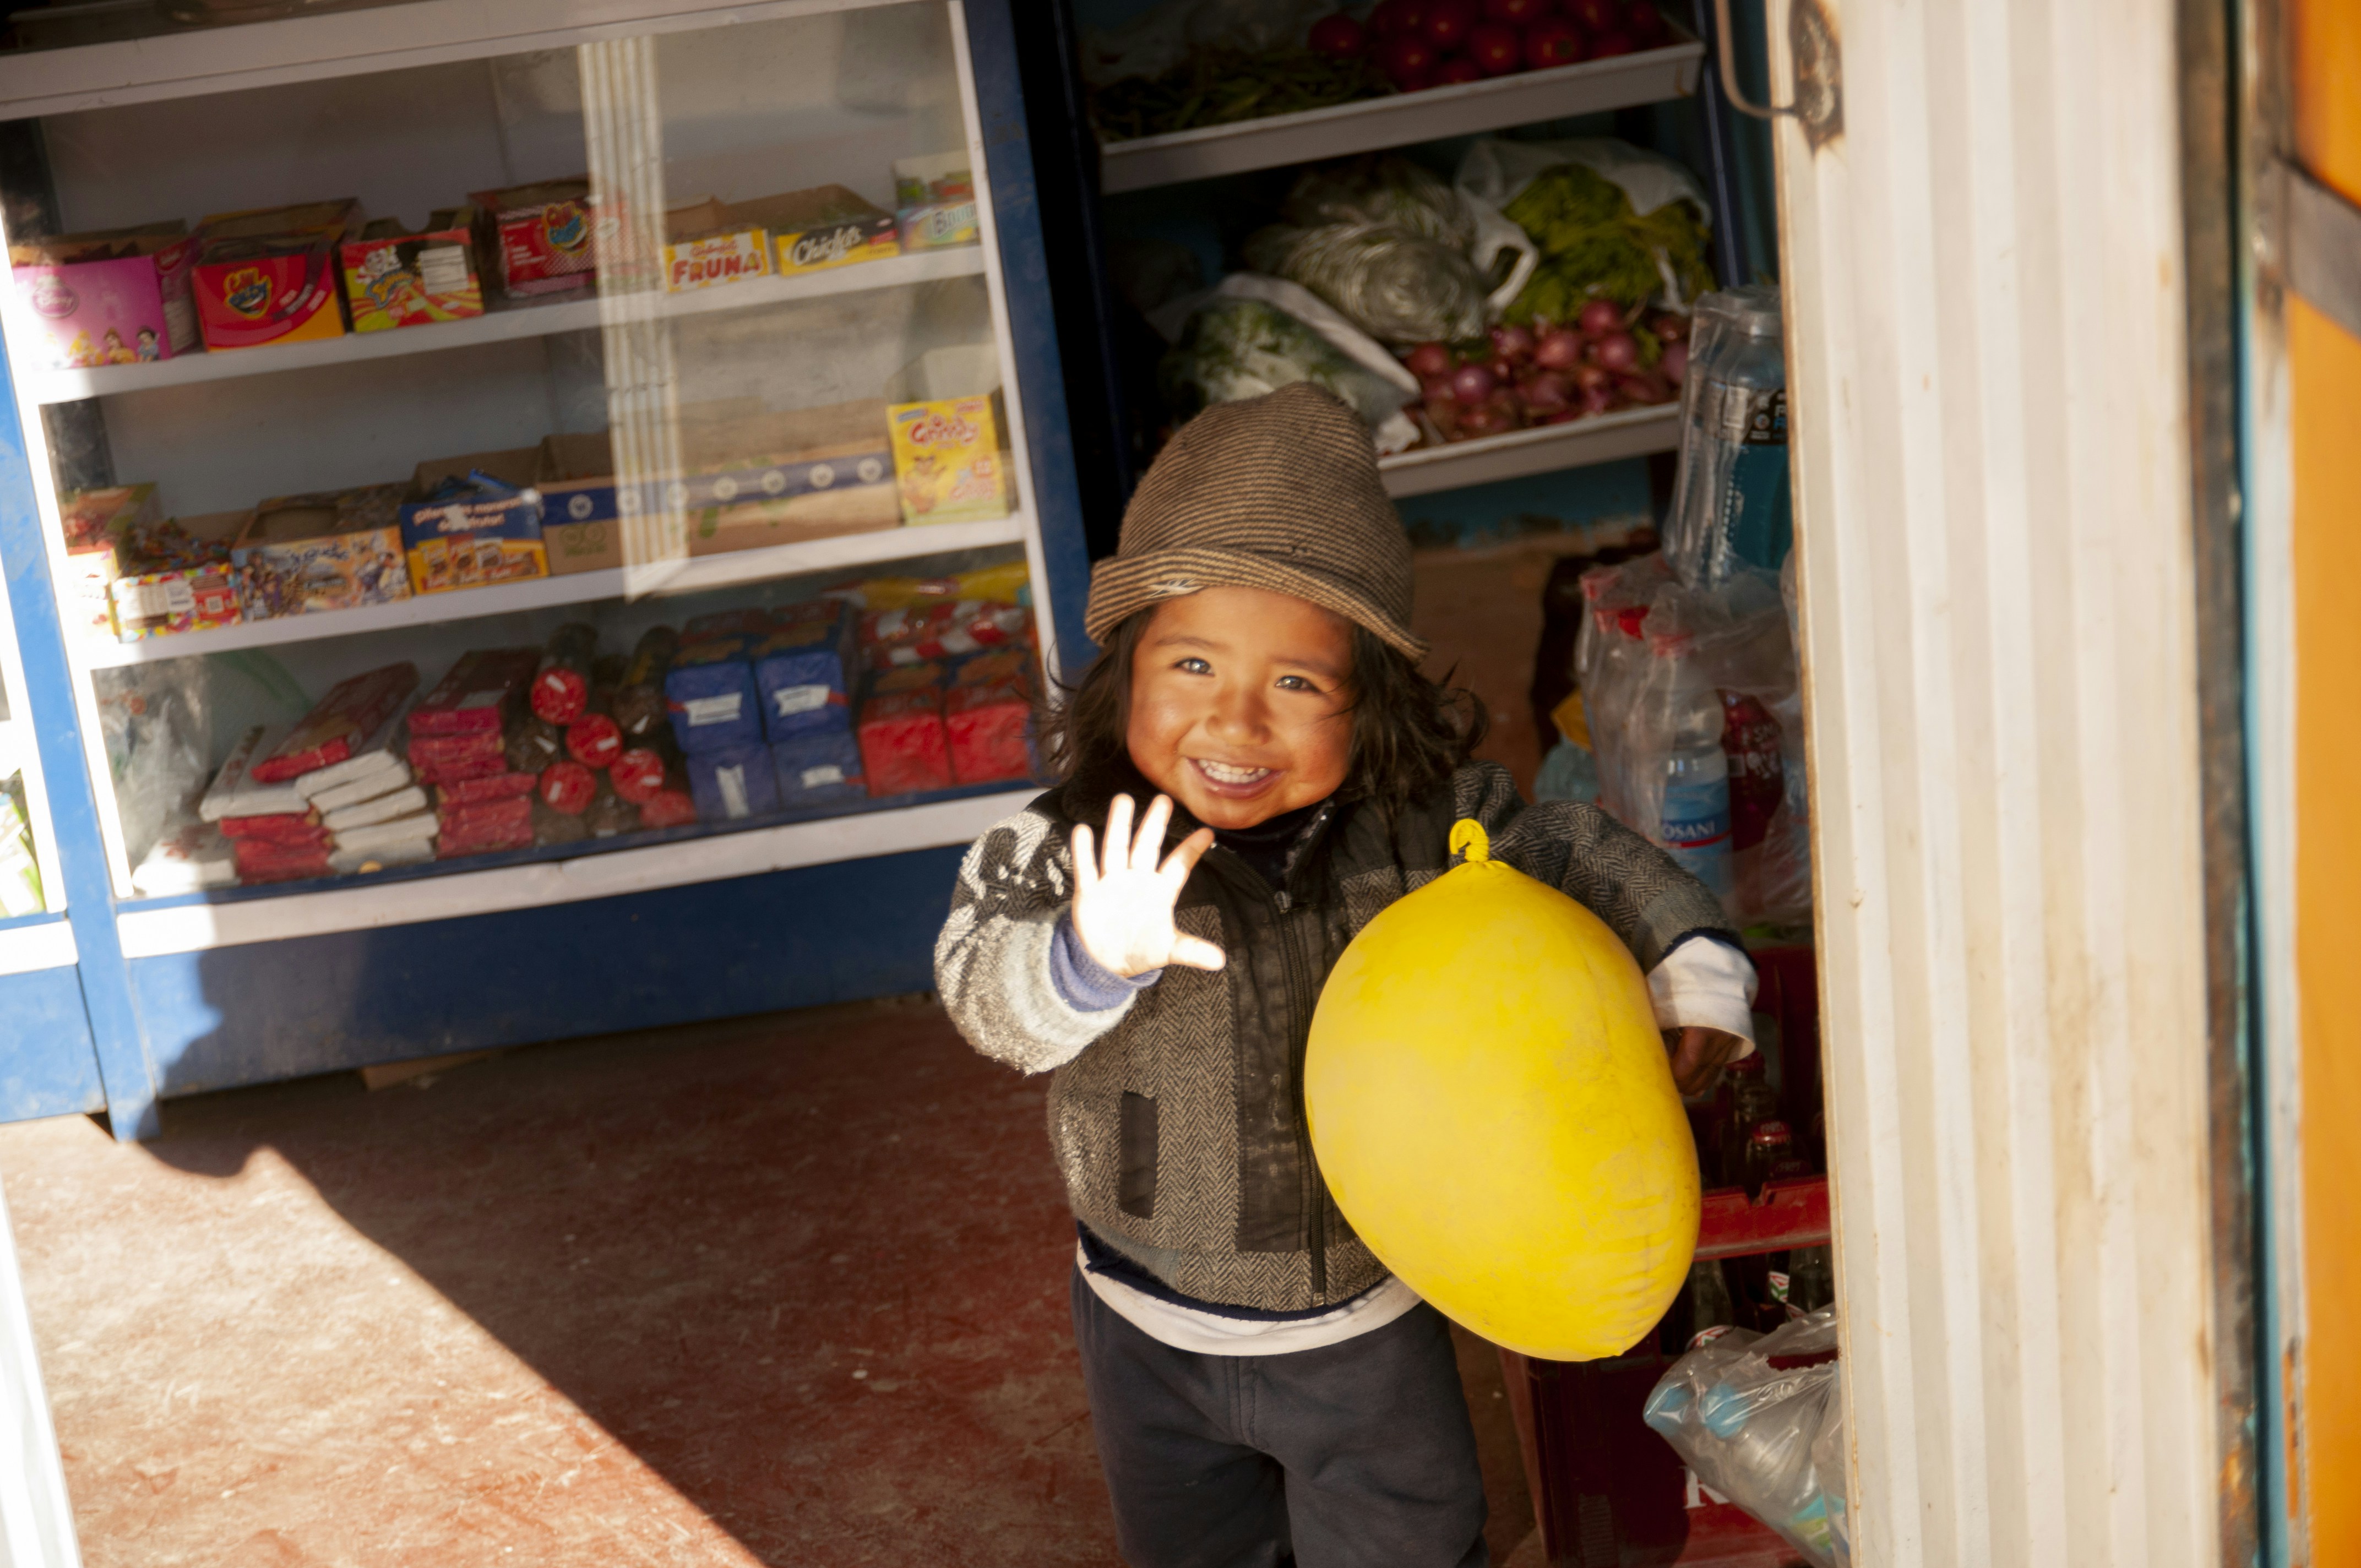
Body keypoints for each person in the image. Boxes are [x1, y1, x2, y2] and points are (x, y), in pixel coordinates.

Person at [935, 383, 1755, 1568]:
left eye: (1296, 683)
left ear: (1368, 705)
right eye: (1193, 664)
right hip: (1145, 1316)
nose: (1235, 719)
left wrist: (1690, 968)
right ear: (1124, 673)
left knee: (1408, 1540)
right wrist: (1080, 954)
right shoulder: (1068, 847)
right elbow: (978, 987)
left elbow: (1572, 846)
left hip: (1367, 1320)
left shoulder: (1420, 827)